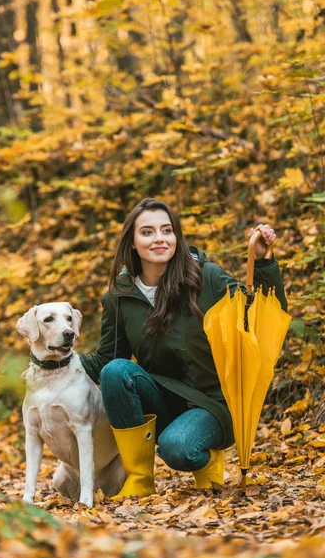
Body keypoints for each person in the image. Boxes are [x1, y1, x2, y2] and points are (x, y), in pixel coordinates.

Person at [79, 198, 287, 498]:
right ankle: (139, 477)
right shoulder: (119, 296)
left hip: (213, 402)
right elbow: (108, 359)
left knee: (178, 450)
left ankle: (209, 455)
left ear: (177, 236)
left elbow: (264, 315)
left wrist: (264, 263)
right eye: (147, 232)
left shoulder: (207, 277)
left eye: (167, 230)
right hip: (164, 396)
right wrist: (52, 362)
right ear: (133, 242)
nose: (159, 238)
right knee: (115, 372)